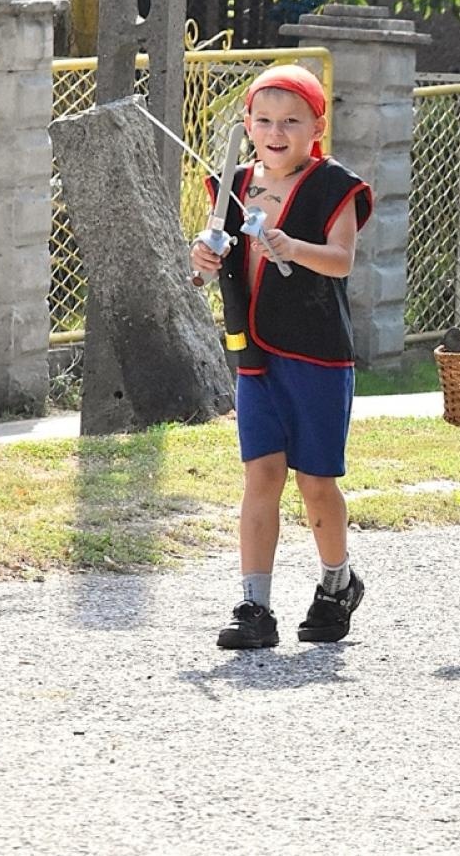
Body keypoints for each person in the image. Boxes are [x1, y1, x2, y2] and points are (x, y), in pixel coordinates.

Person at [189, 65, 374, 650]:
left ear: (316, 127)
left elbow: (341, 260)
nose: (276, 131)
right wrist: (201, 258)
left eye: (291, 121)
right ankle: (254, 604)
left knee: (316, 482)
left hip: (317, 354)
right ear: (247, 126)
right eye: (264, 120)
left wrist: (293, 246)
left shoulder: (334, 185)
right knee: (261, 476)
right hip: (253, 355)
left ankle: (337, 583)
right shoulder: (232, 185)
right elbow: (208, 259)